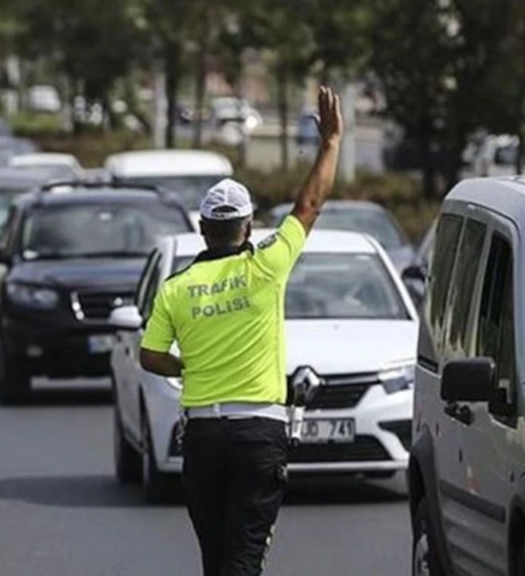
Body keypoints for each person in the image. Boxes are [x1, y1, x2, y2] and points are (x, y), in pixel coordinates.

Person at [138, 86, 344, 576]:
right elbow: (310, 204)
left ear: (204, 229)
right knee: (244, 559)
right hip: (259, 435)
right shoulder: (267, 267)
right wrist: (331, 142)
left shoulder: (177, 287)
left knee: (217, 561)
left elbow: (149, 356)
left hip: (204, 437)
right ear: (248, 228)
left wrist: (186, 365)